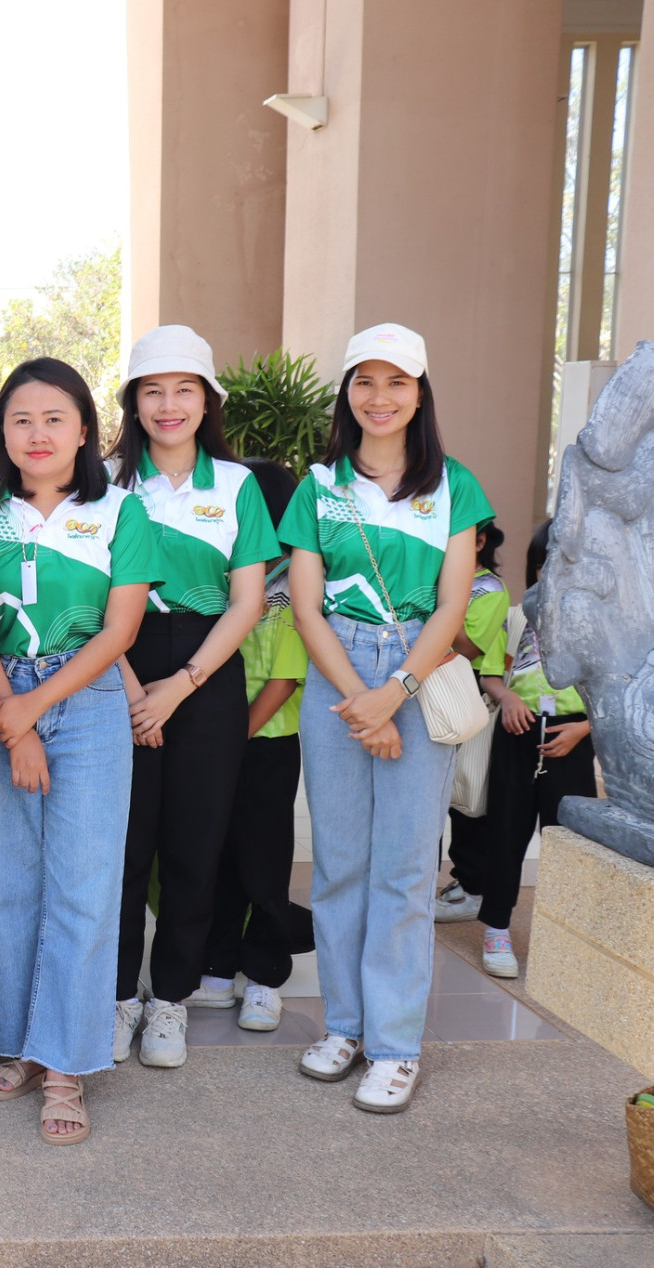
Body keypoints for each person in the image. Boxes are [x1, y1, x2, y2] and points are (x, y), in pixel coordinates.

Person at [278, 322, 492, 1114]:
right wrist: (358, 700)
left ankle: (394, 1046)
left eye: (395, 383)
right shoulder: (317, 487)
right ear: (346, 393)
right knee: (339, 868)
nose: (379, 398)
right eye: (363, 382)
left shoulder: (454, 487)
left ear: (419, 393)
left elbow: (451, 606)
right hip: (336, 672)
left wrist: (391, 694)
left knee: (403, 873)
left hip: (415, 672)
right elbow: (304, 608)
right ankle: (344, 1027)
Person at [0, 357, 160, 1145]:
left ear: (84, 429)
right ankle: (16, 1044)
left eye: (53, 419)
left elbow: (120, 629)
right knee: (8, 888)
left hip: (87, 703)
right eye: (19, 420)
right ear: (1, 432)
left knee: (82, 888)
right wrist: (14, 718)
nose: (36, 434)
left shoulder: (120, 514)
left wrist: (34, 712)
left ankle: (67, 1064)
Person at [109, 326, 276, 1068]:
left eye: (184, 390)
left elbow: (245, 604)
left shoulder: (238, 486)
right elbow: (90, 595)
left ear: (207, 401)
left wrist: (177, 688)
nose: (168, 405)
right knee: (119, 847)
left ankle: (168, 1001)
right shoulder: (106, 481)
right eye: (152, 390)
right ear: (133, 402)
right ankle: (115, 998)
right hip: (114, 662)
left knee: (192, 847)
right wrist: (129, 687)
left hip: (205, 673)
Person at [446, 523, 595, 978]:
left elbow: (618, 696)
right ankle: (496, 931)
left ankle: (564, 940)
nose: (551, 572)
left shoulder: (599, 626)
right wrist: (508, 699)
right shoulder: (516, 617)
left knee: (568, 844)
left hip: (572, 739)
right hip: (518, 731)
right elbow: (490, 674)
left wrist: (582, 730)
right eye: (543, 562)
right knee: (504, 835)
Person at [198, 458, 306, 1031]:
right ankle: (216, 964)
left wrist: (229, 735)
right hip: (213, 742)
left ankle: (264, 976)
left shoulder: (292, 584)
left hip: (266, 743)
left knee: (263, 859)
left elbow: (286, 677)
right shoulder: (225, 576)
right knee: (213, 854)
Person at [432, 524, 512, 932]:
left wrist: (440, 609)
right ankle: (439, 883)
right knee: (433, 799)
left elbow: (468, 646)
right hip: (433, 690)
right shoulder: (440, 577)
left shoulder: (488, 589)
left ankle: (471, 887)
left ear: (480, 542)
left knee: (466, 796)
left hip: (468, 696)